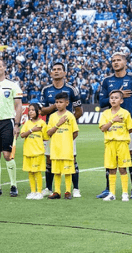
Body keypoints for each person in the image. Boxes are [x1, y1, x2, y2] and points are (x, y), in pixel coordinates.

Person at [98, 52, 132, 200]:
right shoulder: (107, 81)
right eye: (113, 60)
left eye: (119, 60)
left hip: (130, 124)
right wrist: (118, 95)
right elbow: (101, 103)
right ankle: (108, 189)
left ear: (125, 62)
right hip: (112, 126)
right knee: (110, 156)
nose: (116, 62)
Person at [39, 62, 84, 198]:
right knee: (49, 159)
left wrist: (68, 123)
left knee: (72, 158)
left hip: (67, 132)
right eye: (54, 70)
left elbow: (79, 111)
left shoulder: (72, 90)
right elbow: (42, 110)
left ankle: (75, 189)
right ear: (51, 73)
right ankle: (49, 188)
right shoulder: (46, 90)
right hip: (51, 130)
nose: (56, 71)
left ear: (64, 73)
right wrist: (56, 106)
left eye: (59, 69)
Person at [0, 58, 24, 197]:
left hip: (7, 122)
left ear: (4, 68)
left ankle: (13, 185)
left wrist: (16, 125)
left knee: (7, 155)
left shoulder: (12, 85)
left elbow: (18, 106)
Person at [99, 90, 132, 202]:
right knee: (111, 169)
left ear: (121, 100)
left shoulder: (125, 113)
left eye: (116, 98)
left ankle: (125, 193)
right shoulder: (105, 113)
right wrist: (112, 121)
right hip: (110, 144)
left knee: (123, 168)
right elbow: (102, 128)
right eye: (111, 98)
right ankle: (112, 193)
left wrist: (121, 136)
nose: (113, 100)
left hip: (122, 143)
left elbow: (131, 128)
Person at [46, 92, 79, 200]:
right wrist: (58, 124)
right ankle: (57, 191)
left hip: (67, 149)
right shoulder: (52, 117)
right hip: (55, 148)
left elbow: (75, 133)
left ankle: (68, 191)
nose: (58, 104)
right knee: (56, 171)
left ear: (67, 103)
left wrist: (66, 141)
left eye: (61, 102)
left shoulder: (70, 116)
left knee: (68, 171)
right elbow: (49, 133)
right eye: (56, 102)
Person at [19, 103, 48, 200]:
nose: (30, 112)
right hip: (28, 151)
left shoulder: (42, 123)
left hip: (38, 152)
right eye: (29, 110)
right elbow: (22, 135)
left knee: (37, 172)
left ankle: (39, 192)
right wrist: (32, 130)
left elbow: (45, 137)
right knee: (30, 172)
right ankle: (33, 191)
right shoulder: (27, 123)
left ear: (38, 111)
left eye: (32, 110)